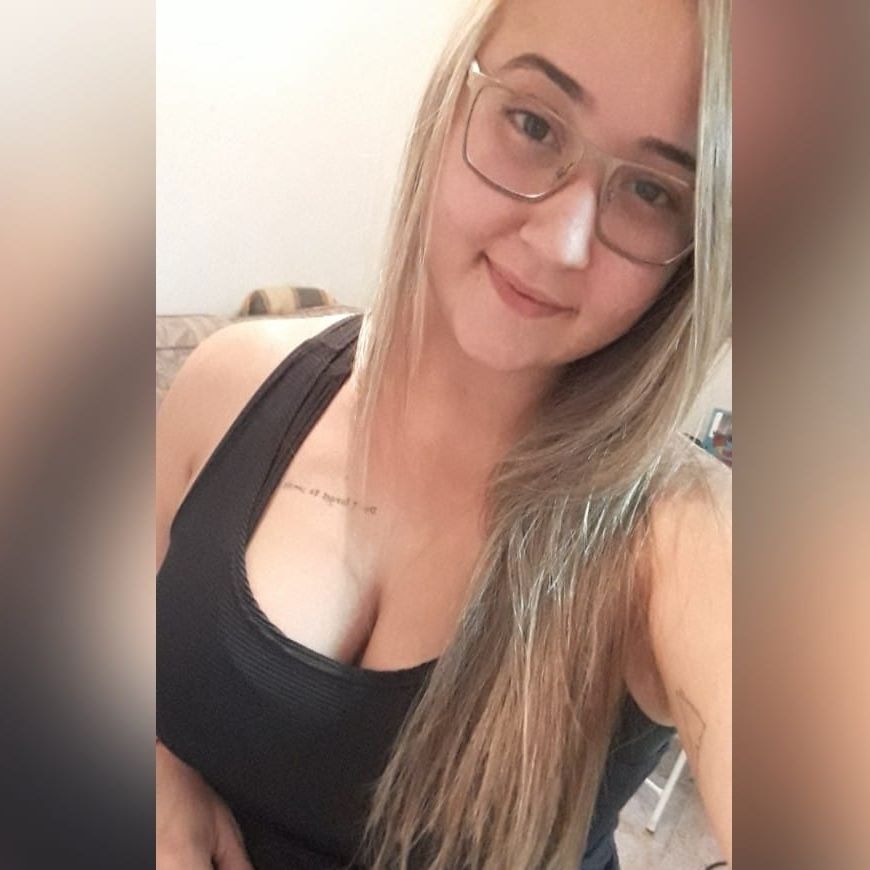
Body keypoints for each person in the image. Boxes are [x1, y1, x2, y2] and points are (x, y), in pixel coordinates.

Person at [156, 0, 732, 867]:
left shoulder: (682, 542)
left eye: (653, 191)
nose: (562, 240)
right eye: (533, 124)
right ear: (451, 103)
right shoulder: (228, 382)